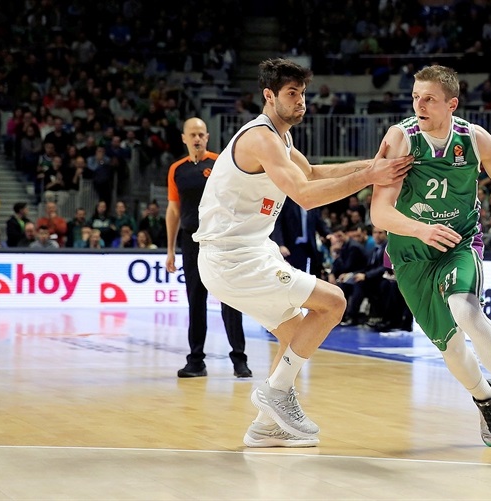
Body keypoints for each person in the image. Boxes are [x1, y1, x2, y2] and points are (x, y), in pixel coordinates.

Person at [191, 58, 412, 448]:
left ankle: (266, 426)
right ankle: (274, 394)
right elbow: (306, 197)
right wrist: (368, 178)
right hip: (232, 256)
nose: (301, 102)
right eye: (292, 94)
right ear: (269, 95)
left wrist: (378, 166)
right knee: (334, 302)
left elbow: (312, 174)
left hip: (248, 251)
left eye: (303, 93)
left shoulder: (281, 139)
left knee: (295, 334)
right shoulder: (260, 138)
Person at [369, 65, 491, 447]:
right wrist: (422, 229)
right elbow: (379, 213)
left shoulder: (474, 139)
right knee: (452, 348)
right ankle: (486, 399)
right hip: (411, 255)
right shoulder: (401, 138)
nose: (418, 105)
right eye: (415, 97)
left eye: (429, 99)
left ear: (451, 104)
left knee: (466, 311)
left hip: (459, 242)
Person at [165, 117, 252, 379]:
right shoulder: (177, 169)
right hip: (191, 241)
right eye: (192, 134)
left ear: (207, 137)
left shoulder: (220, 163)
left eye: (201, 134)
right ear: (184, 138)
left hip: (221, 241)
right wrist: (170, 249)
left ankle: (239, 360)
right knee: (196, 301)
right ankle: (196, 361)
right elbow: (173, 209)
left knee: (230, 299)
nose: (197, 138)